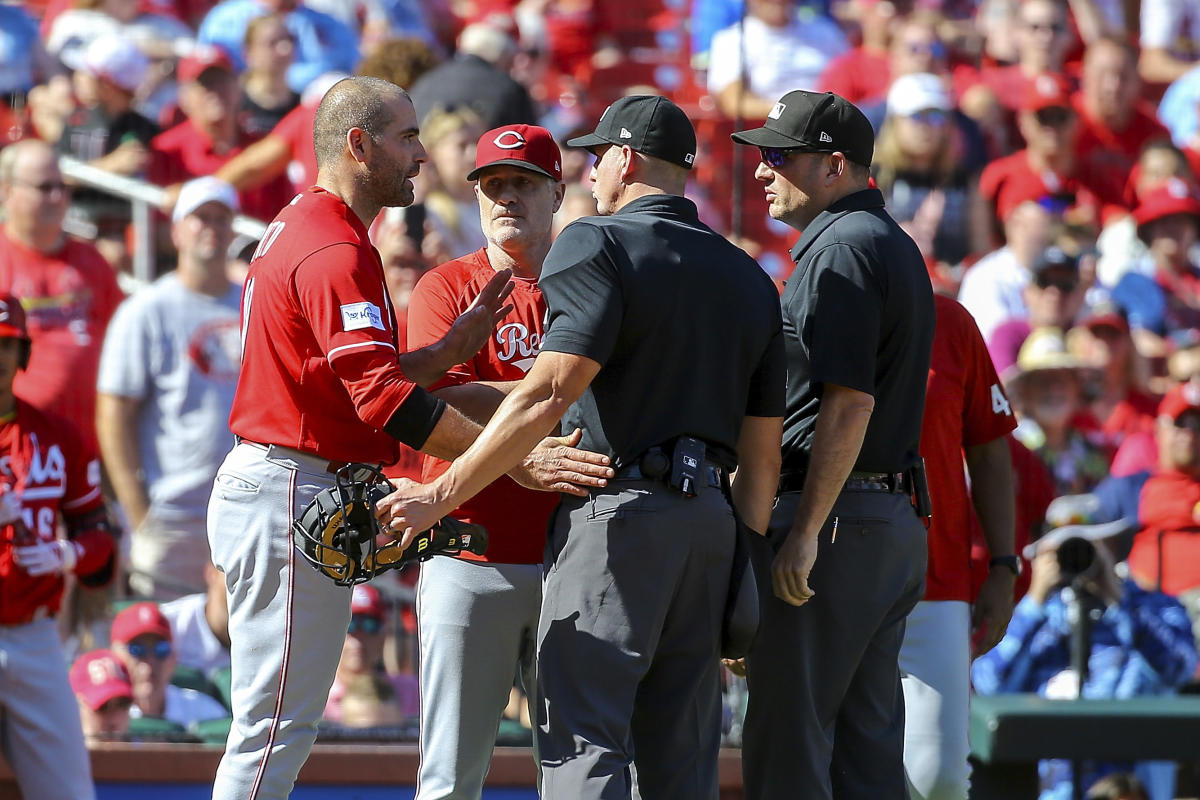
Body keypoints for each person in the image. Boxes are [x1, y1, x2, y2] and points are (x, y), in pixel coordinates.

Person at [207, 76, 611, 800]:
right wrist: (513, 459)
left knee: (274, 728)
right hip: (290, 478)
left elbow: (346, 377)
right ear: (358, 145)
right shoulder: (333, 246)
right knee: (274, 731)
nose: (422, 156)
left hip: (289, 471)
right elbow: (384, 399)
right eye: (406, 137)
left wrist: (440, 352)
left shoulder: (306, 225)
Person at [375, 94, 787, 799]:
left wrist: (443, 489)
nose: (596, 172)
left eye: (597, 158)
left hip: (614, 523)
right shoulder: (748, 274)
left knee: (584, 745)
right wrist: (744, 576)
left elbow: (548, 391)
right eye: (492, 185)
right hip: (706, 527)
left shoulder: (593, 243)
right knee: (682, 757)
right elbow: (765, 452)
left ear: (623, 161)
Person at [730, 89, 934, 799]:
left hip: (838, 523)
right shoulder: (884, 240)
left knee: (790, 745)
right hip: (882, 520)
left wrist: (808, 529)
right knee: (865, 756)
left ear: (834, 166)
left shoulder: (844, 247)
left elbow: (848, 403)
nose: (761, 169)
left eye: (780, 155)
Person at [405, 123, 566, 799]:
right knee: (450, 776)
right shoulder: (446, 287)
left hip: (572, 557)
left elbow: (615, 398)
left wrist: (497, 398)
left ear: (557, 192)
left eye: (523, 184)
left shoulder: (590, 282)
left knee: (579, 773)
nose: (505, 198)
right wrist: (555, 394)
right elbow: (438, 401)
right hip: (469, 549)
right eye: (492, 185)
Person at [972, 496, 1198, 800]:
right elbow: (987, 685)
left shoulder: (1152, 607)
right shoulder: (1033, 616)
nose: (1079, 557)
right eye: (1064, 548)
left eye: (1092, 545)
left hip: (1133, 782)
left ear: (1113, 546)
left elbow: (1179, 670)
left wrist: (1117, 600)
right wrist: (1035, 601)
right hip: (1050, 785)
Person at [97, 177, 243, 600]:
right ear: (177, 230)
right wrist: (139, 513)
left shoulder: (253, 304)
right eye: (200, 218)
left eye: (221, 218)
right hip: (171, 510)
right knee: (161, 647)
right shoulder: (146, 310)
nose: (211, 227)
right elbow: (113, 414)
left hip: (239, 508)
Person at [0, 293, 117, 800]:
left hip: (34, 634)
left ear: (23, 354)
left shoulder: (55, 435)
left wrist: (66, 555)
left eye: (6, 346)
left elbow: (99, 539)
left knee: (69, 791)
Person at [902, 293, 1018, 800]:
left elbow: (990, 449)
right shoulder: (793, 303)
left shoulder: (947, 319)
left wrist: (1003, 564)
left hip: (938, 575)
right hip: (821, 573)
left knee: (940, 777)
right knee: (827, 765)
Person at [0, 139, 124, 453]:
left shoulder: (92, 261)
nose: (57, 197)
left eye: (62, 187)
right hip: (17, 453)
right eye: (44, 188)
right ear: (7, 191)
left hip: (90, 447)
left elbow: (121, 343)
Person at [706, 0, 849, 119]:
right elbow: (734, 103)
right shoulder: (731, 40)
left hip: (831, 124)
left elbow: (854, 74)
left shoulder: (826, 32)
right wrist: (797, 113)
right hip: (773, 133)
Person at [197, 0, 360, 94]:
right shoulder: (224, 19)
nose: (285, 48)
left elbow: (355, 68)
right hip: (247, 107)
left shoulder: (330, 24)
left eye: (289, 41)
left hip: (312, 108)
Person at [110, 601, 230, 726]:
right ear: (114, 656)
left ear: (174, 657)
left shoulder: (204, 711)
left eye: (161, 649)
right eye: (136, 650)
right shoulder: (105, 713)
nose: (150, 662)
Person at [324, 584, 417, 723]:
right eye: (348, 624)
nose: (359, 636)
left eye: (370, 624)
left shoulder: (411, 691)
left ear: (384, 634)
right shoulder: (314, 698)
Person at [159, 562, 231, 675]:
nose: (245, 584)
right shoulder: (166, 624)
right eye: (237, 572)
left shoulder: (266, 633)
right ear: (212, 573)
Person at [70, 649, 135, 743]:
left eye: (122, 704)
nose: (114, 719)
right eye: (103, 707)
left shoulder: (146, 754)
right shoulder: (56, 755)